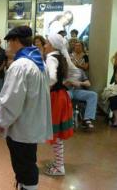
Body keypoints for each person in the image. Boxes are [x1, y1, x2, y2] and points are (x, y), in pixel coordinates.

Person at [0, 26, 52, 190]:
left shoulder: (20, 66)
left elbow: (11, 100)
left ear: (15, 41)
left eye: (9, 42)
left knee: (24, 166)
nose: (9, 46)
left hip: (21, 126)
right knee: (28, 161)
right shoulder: (39, 63)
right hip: (33, 122)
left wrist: (1, 122)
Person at [44, 33, 74, 176]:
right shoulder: (61, 57)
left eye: (46, 43)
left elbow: (52, 78)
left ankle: (59, 166)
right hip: (62, 95)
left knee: (56, 134)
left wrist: (44, 88)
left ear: (52, 45)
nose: (44, 45)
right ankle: (58, 163)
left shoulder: (51, 58)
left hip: (55, 97)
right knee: (58, 134)